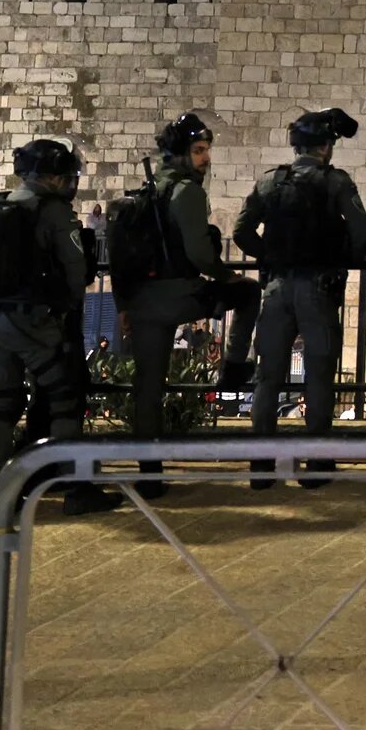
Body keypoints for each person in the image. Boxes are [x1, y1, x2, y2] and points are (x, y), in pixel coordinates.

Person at [0, 139, 121, 513]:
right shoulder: (53, 212)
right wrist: (67, 316)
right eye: (64, 175)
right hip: (33, 322)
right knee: (65, 399)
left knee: (3, 402)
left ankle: (4, 490)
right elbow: (75, 269)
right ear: (50, 176)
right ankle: (75, 489)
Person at [121, 113, 263, 496]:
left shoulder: (145, 193)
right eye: (199, 151)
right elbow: (200, 253)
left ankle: (149, 475)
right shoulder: (187, 192)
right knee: (248, 293)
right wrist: (223, 276)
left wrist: (123, 305)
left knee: (148, 388)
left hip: (143, 301)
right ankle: (233, 368)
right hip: (180, 296)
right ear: (182, 154)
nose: (206, 158)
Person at [235, 107, 366, 484]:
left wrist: (270, 255)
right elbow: (361, 235)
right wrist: (344, 258)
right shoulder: (336, 182)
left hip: (277, 288)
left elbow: (241, 232)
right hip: (318, 287)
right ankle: (316, 466)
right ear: (326, 147)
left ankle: (261, 468)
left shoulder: (269, 183)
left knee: (268, 376)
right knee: (319, 374)